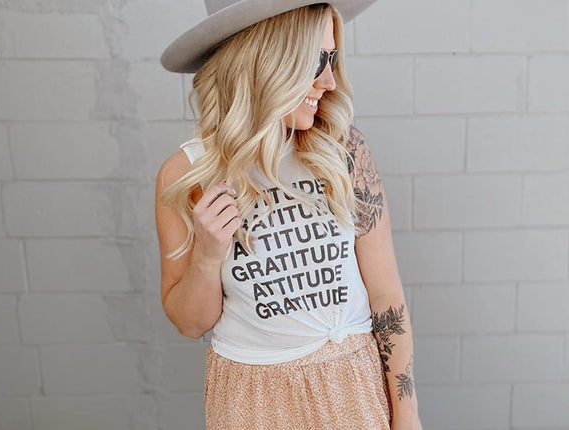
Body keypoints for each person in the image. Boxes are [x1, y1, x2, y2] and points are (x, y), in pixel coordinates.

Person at [154, 1, 423, 429]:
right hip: (251, 398)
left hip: (351, 386)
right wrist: (206, 256)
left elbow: (386, 293)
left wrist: (407, 414)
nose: (329, 81)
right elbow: (190, 324)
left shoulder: (345, 151)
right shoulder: (187, 174)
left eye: (332, 59)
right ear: (267, 60)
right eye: (316, 61)